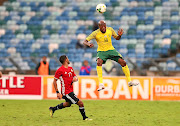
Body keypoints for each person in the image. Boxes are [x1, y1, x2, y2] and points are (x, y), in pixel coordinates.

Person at [83, 20, 139, 91]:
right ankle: (101, 84)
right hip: (101, 51)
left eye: (104, 25)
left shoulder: (110, 30)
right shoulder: (95, 33)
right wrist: (88, 44)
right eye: (101, 26)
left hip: (111, 50)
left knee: (123, 62)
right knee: (98, 62)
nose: (103, 27)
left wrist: (119, 35)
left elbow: (117, 38)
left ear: (106, 25)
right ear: (99, 26)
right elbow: (84, 41)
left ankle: (129, 82)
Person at [49, 55, 92, 121]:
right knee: (80, 103)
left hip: (70, 90)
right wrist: (57, 92)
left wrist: (75, 79)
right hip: (66, 92)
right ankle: (85, 118)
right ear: (66, 60)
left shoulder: (70, 69)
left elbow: (75, 77)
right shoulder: (60, 70)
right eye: (68, 58)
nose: (69, 59)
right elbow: (54, 81)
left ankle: (53, 109)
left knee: (68, 104)